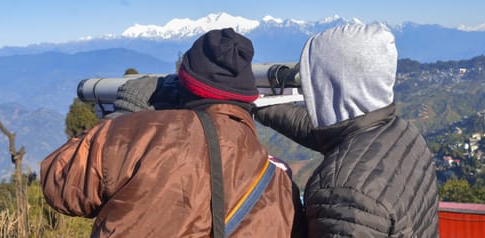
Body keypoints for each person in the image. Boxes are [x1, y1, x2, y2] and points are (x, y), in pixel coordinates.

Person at [41, 28, 306, 237]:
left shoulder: (138, 137)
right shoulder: (280, 182)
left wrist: (125, 116)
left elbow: (59, 183)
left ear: (185, 83)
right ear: (248, 97)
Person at [253, 23, 439, 237]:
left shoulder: (342, 195)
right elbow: (323, 132)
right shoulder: (403, 133)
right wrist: (261, 107)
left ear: (332, 83)